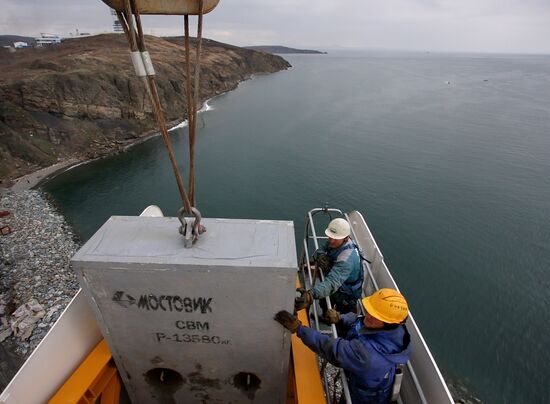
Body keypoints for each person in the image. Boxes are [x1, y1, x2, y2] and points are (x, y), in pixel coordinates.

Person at [276, 288, 411, 404]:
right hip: (378, 382)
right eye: (370, 311)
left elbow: (331, 348)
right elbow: (359, 320)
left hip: (363, 397)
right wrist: (340, 318)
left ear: (388, 323)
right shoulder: (395, 330)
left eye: (374, 315)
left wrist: (299, 328)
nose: (368, 316)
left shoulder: (368, 355)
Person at [296, 218, 362, 314]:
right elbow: (323, 248)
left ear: (345, 238)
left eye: (335, 238)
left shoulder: (346, 260)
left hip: (346, 293)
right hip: (337, 282)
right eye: (330, 237)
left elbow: (331, 284)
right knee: (324, 303)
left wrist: (310, 294)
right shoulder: (337, 242)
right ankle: (324, 316)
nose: (331, 241)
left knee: (341, 316)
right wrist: (321, 255)